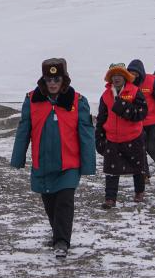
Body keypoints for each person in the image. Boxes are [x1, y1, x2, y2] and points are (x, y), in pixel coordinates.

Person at [10, 58, 96, 258]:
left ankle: (62, 241)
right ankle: (58, 233)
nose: (52, 83)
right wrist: (18, 158)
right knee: (50, 204)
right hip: (43, 164)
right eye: (48, 79)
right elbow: (24, 130)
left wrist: (88, 164)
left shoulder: (78, 102)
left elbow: (86, 134)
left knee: (64, 201)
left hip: (69, 164)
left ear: (64, 79)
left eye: (56, 79)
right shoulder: (32, 100)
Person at [95, 63, 149, 208]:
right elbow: (101, 118)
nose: (116, 78)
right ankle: (110, 198)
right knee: (111, 170)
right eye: (113, 75)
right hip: (112, 138)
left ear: (125, 77)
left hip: (133, 136)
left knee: (138, 168)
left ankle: (139, 192)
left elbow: (142, 113)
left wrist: (122, 106)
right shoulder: (105, 95)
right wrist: (99, 137)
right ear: (110, 78)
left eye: (119, 75)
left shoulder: (135, 91)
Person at [127, 59, 155, 180]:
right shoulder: (127, 83)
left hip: (152, 122)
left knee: (151, 147)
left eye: (135, 73)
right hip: (136, 121)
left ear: (141, 73)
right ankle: (144, 174)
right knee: (139, 148)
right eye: (131, 73)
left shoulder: (151, 81)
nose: (133, 76)